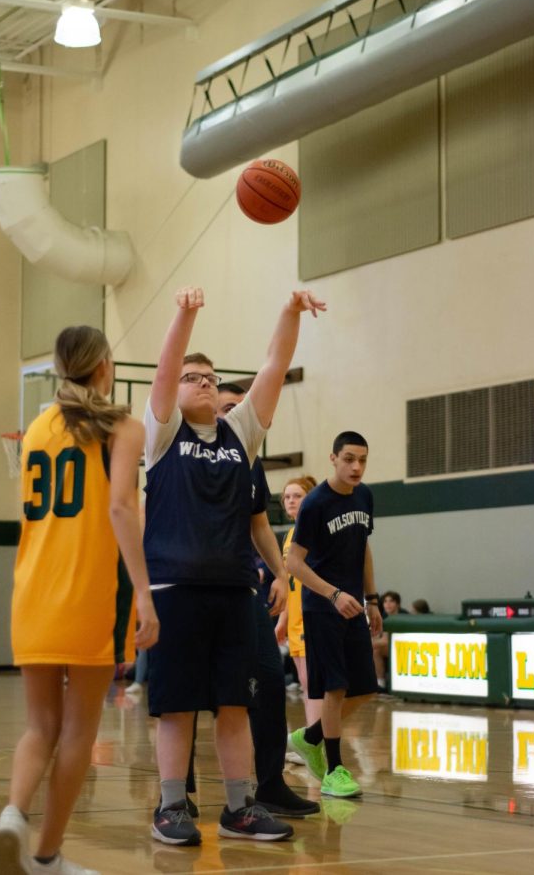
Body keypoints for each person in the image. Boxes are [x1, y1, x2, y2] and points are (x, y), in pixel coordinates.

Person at [143, 286, 325, 846]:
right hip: (174, 588)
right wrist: (186, 314)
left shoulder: (238, 436)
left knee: (234, 705)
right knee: (175, 707)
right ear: (174, 391)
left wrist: (288, 312)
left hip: (232, 590)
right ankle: (173, 806)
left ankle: (240, 807)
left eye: (211, 377)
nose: (205, 382)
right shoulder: (163, 434)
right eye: (193, 377)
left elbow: (273, 366)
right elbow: (167, 367)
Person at [0, 325, 159, 875]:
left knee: (39, 725)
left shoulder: (38, 428)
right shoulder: (123, 426)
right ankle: (45, 856)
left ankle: (13, 816)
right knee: (77, 732)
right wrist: (143, 591)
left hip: (31, 592)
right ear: (106, 365)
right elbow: (120, 509)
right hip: (87, 591)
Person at [212, 384, 319, 817]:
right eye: (225, 408)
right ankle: (177, 794)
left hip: (245, 588)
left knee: (271, 683)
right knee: (192, 696)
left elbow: (259, 524)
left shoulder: (249, 461)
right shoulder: (181, 454)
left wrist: (277, 573)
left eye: (239, 408)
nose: (234, 415)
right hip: (194, 587)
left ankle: (272, 784)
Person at [286, 431, 382, 798]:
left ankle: (308, 738)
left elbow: (364, 548)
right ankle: (334, 770)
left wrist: (371, 598)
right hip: (322, 606)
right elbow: (294, 562)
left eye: (362, 460)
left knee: (366, 689)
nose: (356, 467)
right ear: (333, 458)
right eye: (349, 459)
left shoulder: (365, 496)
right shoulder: (315, 504)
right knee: (336, 687)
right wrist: (334, 593)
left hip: (354, 604)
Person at [275, 476, 324, 731]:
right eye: (287, 496)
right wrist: (282, 620)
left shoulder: (314, 530)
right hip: (293, 619)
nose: (291, 500)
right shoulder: (290, 534)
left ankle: (316, 743)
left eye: (297, 496)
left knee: (313, 685)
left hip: (311, 616)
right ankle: (311, 742)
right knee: (306, 685)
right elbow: (289, 582)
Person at [373, 590, 408, 690]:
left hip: (406, 647)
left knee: (375, 650)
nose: (387, 604)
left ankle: (381, 683)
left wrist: (367, 644)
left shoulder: (403, 616)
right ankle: (379, 682)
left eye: (391, 601)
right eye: (385, 601)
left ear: (398, 604)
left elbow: (385, 641)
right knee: (374, 649)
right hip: (392, 646)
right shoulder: (384, 617)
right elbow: (379, 637)